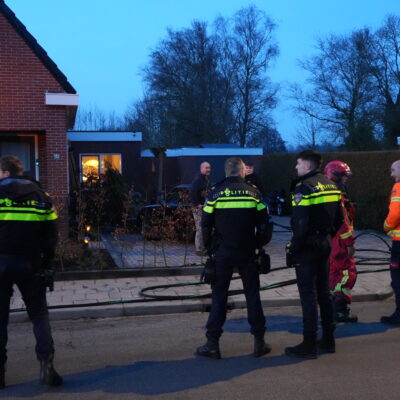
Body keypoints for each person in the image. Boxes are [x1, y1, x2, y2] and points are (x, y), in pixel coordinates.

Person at [196, 157, 273, 359]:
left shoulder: (215, 193)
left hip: (222, 253)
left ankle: (212, 344)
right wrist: (259, 245)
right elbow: (264, 224)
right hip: (247, 251)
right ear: (242, 171)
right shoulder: (254, 193)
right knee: (253, 296)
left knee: (219, 297)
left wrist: (210, 250)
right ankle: (259, 342)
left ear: (226, 171)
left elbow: (205, 224)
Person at [0, 156, 62, 389]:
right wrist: (48, 262)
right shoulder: (40, 196)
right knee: (39, 316)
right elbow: (51, 234)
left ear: (5, 172)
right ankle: (47, 367)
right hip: (31, 264)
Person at [285, 150, 342, 359]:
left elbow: (300, 224)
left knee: (308, 296)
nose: (296, 167)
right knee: (324, 292)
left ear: (308, 165)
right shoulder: (331, 185)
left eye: (298, 163)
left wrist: (293, 248)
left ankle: (308, 344)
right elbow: (339, 219)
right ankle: (328, 339)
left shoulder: (304, 187)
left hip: (307, 248)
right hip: (324, 244)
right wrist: (327, 236)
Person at [324, 161, 358, 323]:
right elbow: (343, 223)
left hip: (334, 242)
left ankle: (333, 308)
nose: (346, 179)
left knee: (335, 274)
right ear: (335, 176)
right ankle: (339, 311)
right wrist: (349, 243)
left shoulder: (330, 193)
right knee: (345, 275)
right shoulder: (337, 195)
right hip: (340, 243)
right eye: (344, 176)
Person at [382, 160, 400, 324]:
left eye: (393, 170)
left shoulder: (398, 187)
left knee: (397, 278)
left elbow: (395, 214)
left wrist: (386, 227)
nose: (391, 174)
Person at [190, 161, 211, 256]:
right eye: (206, 168)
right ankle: (199, 249)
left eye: (209, 168)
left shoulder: (207, 180)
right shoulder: (198, 180)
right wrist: (197, 204)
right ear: (201, 168)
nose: (208, 170)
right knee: (200, 228)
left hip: (205, 207)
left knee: (204, 227)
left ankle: (204, 248)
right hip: (198, 208)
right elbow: (192, 193)